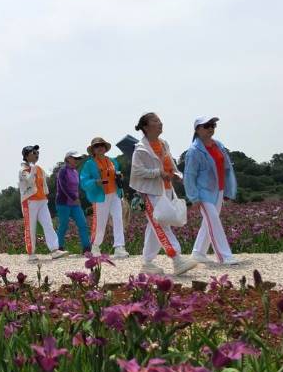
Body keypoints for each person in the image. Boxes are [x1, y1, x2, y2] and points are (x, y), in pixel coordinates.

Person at [130, 112, 198, 276]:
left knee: (155, 225)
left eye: (160, 120)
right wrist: (158, 173)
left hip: (166, 190)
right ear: (146, 127)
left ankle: (147, 263)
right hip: (150, 193)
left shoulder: (164, 144)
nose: (160, 123)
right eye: (155, 121)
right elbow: (137, 171)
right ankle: (177, 259)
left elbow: (172, 165)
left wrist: (178, 175)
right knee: (161, 224)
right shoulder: (140, 149)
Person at [184, 116, 239, 266]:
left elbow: (227, 168)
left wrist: (228, 190)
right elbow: (189, 176)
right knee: (214, 221)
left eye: (213, 125)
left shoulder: (218, 145)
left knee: (209, 222)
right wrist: (193, 197)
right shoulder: (193, 151)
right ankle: (225, 256)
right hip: (203, 193)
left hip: (218, 190)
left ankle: (198, 252)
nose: (211, 128)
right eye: (207, 125)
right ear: (197, 129)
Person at [80, 137, 129, 259]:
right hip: (100, 196)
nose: (100, 147)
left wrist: (120, 177)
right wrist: (95, 182)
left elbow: (116, 174)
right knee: (100, 222)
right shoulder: (89, 164)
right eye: (96, 146)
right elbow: (83, 181)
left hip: (115, 194)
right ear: (93, 150)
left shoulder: (113, 161)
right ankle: (95, 246)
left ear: (105, 148)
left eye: (102, 145)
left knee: (118, 219)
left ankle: (119, 247)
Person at [19, 145, 68, 263]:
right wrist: (33, 169)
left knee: (48, 224)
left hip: (41, 200)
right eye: (33, 153)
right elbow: (29, 180)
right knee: (31, 227)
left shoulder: (39, 169)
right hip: (29, 201)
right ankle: (31, 252)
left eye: (37, 153)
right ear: (26, 155)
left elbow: (44, 184)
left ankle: (54, 250)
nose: (36, 155)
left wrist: (46, 194)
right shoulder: (23, 170)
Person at [55, 151, 92, 255]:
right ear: (68, 159)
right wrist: (74, 197)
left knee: (83, 224)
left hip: (75, 204)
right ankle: (59, 248)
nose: (77, 160)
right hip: (63, 203)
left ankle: (87, 248)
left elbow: (76, 188)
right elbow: (63, 186)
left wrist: (77, 198)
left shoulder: (75, 172)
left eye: (78, 158)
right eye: (75, 158)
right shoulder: (62, 171)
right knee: (63, 225)